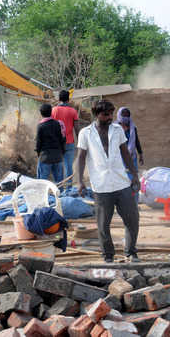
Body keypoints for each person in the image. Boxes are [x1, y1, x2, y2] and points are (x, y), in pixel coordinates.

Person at [77, 100, 140, 263]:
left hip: (121, 182)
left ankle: (131, 252)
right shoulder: (85, 133)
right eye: (106, 114)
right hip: (101, 185)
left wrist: (134, 176)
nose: (110, 117)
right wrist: (80, 181)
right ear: (97, 115)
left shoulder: (117, 130)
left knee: (132, 219)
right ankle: (108, 255)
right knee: (103, 224)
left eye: (111, 113)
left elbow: (126, 154)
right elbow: (81, 158)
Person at [52, 90, 79, 184]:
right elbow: (76, 128)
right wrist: (80, 140)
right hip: (69, 142)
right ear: (68, 99)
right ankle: (69, 188)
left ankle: (59, 188)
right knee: (68, 166)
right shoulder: (73, 111)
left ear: (59, 99)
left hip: (56, 143)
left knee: (58, 166)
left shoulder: (53, 110)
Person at [35, 103, 65, 182]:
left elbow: (38, 142)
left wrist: (38, 153)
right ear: (51, 112)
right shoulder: (58, 124)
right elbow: (61, 139)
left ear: (41, 113)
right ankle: (60, 194)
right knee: (59, 183)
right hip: (58, 157)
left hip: (45, 158)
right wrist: (62, 152)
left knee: (41, 183)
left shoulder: (40, 126)